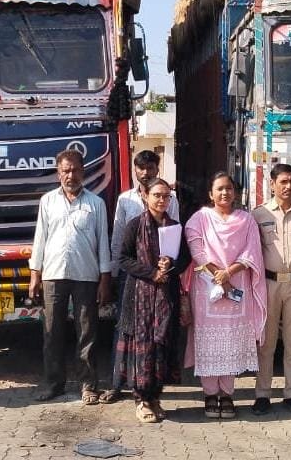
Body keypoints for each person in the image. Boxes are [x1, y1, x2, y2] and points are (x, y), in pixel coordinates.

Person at [181, 172, 267, 419]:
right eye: (219, 189)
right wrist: (217, 273)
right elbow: (196, 248)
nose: (224, 193)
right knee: (208, 342)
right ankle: (209, 394)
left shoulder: (247, 220)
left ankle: (227, 394)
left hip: (237, 286)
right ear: (210, 194)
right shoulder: (199, 219)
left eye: (228, 188)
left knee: (231, 342)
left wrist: (229, 272)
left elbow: (252, 251)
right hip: (206, 288)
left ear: (235, 192)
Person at [29, 149, 111, 404]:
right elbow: (39, 239)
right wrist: (35, 275)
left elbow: (103, 245)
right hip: (53, 274)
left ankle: (88, 386)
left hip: (86, 274)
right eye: (65, 170)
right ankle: (54, 384)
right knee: (52, 332)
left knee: (87, 332)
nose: (70, 175)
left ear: (83, 171)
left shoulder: (96, 204)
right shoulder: (47, 202)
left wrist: (105, 279)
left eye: (75, 170)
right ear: (58, 173)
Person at [103, 149, 180, 404]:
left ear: (158, 169)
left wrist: (168, 266)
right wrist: (114, 273)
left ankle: (154, 387)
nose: (146, 172)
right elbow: (118, 243)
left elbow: (175, 236)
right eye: (141, 168)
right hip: (133, 278)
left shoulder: (172, 199)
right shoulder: (125, 200)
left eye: (150, 167)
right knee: (127, 331)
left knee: (160, 332)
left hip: (163, 278)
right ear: (135, 170)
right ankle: (117, 384)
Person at [113, 178, 189, 423]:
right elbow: (123, 258)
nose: (161, 200)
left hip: (166, 297)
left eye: (166, 196)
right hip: (139, 297)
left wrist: (171, 265)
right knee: (141, 346)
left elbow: (186, 259)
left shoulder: (175, 227)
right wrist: (150, 272)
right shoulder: (135, 225)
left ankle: (155, 397)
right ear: (145, 196)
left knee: (162, 346)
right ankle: (141, 399)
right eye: (156, 195)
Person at [251, 163, 291, 416]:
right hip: (268, 284)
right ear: (272, 184)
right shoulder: (258, 215)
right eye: (283, 182)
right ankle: (262, 394)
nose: (288, 187)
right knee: (266, 343)